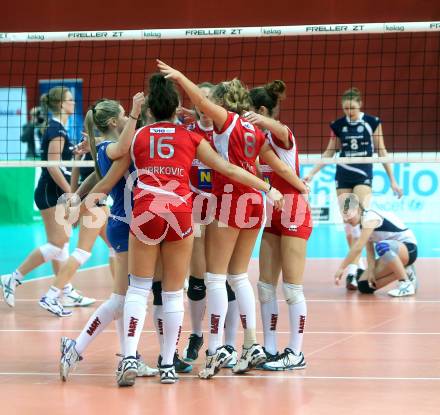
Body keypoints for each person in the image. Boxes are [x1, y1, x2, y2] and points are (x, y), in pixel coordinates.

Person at [117, 72, 283, 385]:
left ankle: (129, 356)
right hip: (182, 213)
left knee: (139, 289)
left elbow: (115, 154)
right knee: (176, 293)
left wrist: (135, 114)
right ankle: (169, 364)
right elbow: (230, 168)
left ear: (149, 107)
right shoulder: (193, 137)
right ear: (178, 106)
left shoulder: (138, 136)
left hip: (145, 213)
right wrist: (267, 187)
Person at [158, 60, 308, 380]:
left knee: (215, 278)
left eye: (217, 102)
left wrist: (181, 77)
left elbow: (200, 101)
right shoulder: (255, 130)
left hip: (233, 201)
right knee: (239, 276)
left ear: (223, 103)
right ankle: (251, 344)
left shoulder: (227, 123)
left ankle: (215, 350)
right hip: (255, 203)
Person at [59, 94, 158, 381]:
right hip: (126, 224)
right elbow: (118, 157)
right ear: (114, 121)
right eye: (125, 113)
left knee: (125, 298)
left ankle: (129, 357)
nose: (129, 116)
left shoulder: (107, 148)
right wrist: (138, 112)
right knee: (124, 298)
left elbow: (100, 175)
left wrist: (78, 196)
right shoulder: (114, 148)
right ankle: (78, 348)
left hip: (128, 223)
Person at [305, 87, 403, 290]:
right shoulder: (338, 125)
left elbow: (382, 150)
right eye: (345, 107)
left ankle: (363, 262)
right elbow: (330, 152)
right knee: (349, 218)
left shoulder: (372, 122)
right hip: (344, 175)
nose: (348, 111)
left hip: (363, 175)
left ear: (360, 104)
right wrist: (312, 173)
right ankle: (355, 266)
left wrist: (393, 180)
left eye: (352, 107)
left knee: (362, 217)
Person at [246, 80, 311, 371]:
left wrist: (264, 120)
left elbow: (283, 132)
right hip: (274, 211)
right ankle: (270, 348)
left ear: (260, 111)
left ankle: (296, 353)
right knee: (264, 286)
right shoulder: (257, 142)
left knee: (292, 288)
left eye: (250, 112)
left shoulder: (282, 136)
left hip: (294, 209)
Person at [1, 86, 80, 309]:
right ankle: (13, 277)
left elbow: (62, 161)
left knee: (62, 243)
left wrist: (78, 151)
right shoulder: (56, 129)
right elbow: (53, 166)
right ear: (62, 104)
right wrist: (70, 193)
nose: (73, 103)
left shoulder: (60, 129)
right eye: (70, 100)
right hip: (49, 191)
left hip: (53, 191)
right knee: (58, 244)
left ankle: (66, 290)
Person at [182, 82, 240, 365]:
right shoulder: (187, 134)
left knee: (224, 277)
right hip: (196, 206)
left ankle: (228, 343)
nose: (203, 109)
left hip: (224, 207)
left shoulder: (227, 133)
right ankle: (196, 334)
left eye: (208, 102)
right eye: (199, 102)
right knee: (197, 279)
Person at [334, 195, 417, 297]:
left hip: (408, 249)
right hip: (392, 252)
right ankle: (407, 272)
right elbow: (369, 252)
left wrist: (342, 268)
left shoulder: (370, 218)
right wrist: (371, 271)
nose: (346, 220)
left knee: (383, 246)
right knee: (364, 285)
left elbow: (358, 246)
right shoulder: (362, 226)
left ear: (357, 209)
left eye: (348, 214)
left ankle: (405, 283)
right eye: (344, 216)